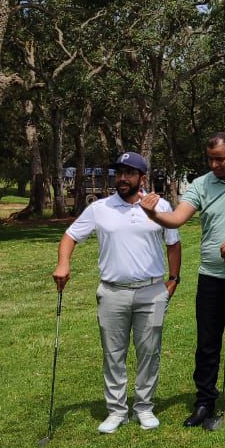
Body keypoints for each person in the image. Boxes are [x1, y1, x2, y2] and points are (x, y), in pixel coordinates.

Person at [141, 132, 225, 429]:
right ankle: (204, 401)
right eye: (210, 159)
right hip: (211, 276)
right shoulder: (201, 185)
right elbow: (177, 219)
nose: (214, 164)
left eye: (220, 158)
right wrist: (153, 214)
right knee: (207, 343)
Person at [52, 151, 181, 433]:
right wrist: (63, 263)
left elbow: (173, 243)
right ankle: (116, 410)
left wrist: (173, 279)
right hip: (112, 293)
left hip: (152, 291)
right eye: (119, 173)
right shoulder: (100, 208)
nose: (122, 178)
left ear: (142, 177)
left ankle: (144, 407)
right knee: (113, 353)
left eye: (129, 173)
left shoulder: (161, 206)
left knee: (149, 351)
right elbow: (70, 236)